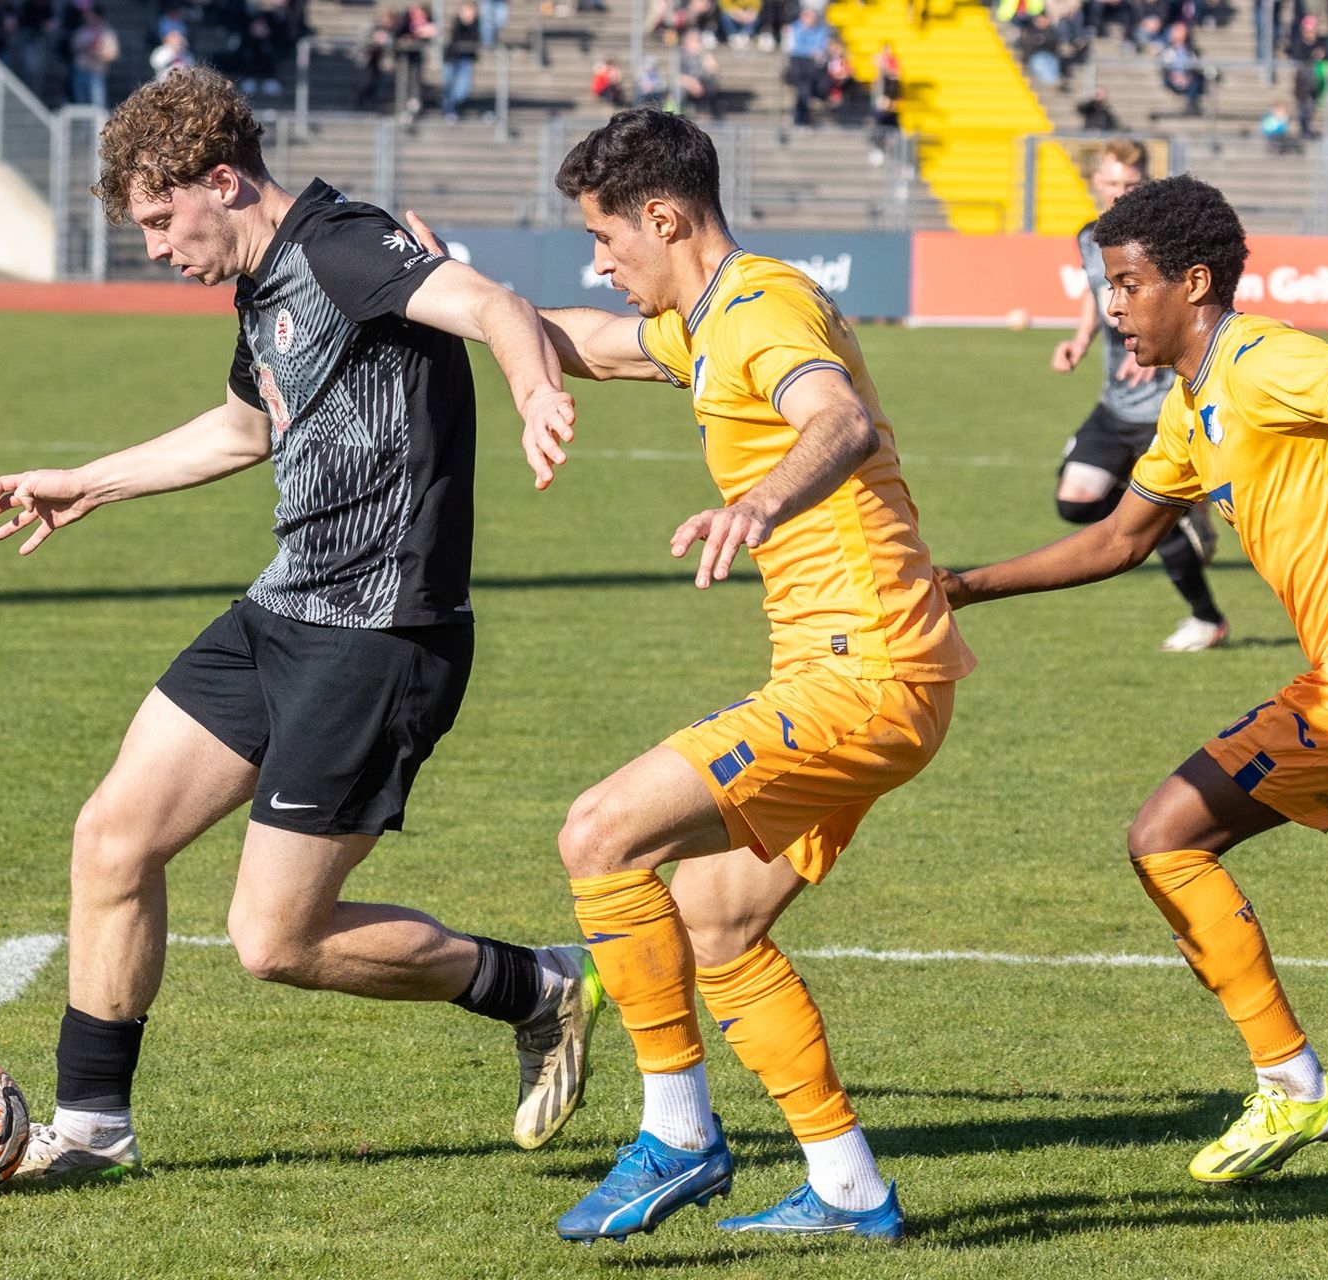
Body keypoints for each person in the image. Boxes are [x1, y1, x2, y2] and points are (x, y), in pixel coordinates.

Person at [0, 67, 601, 1183]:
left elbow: (492, 305)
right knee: (111, 837)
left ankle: (537, 985)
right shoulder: (262, 285)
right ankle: (91, 1127)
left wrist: (531, 391)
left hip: (379, 633)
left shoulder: (342, 246)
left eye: (164, 221)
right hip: (283, 610)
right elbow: (241, 427)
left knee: (277, 940)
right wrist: (88, 482)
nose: (159, 248)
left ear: (223, 180)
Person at [416, 107, 975, 1243]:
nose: (599, 260)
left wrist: (765, 497)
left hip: (860, 670)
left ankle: (677, 1132)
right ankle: (849, 1187)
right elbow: (588, 340)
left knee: (599, 835)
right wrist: (461, 295)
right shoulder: (706, 319)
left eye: (606, 236)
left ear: (664, 215)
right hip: (888, 668)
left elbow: (840, 418)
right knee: (716, 921)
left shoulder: (763, 309)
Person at [941, 174, 1328, 1186]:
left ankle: (1292, 1079)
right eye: (1105, 285)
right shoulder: (1190, 408)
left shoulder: (1262, 359)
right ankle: (1293, 1077)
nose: (1112, 306)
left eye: (1127, 284)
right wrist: (959, 586)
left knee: (1164, 834)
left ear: (1190, 282)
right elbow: (1116, 540)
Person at [1050, 141, 1227, 652]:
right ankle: (1176, 520)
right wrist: (1081, 342)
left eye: (1132, 184)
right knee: (1075, 503)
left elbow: (1201, 307)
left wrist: (1152, 344)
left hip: (1166, 405)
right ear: (1098, 186)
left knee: (1141, 515)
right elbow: (1097, 297)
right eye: (1114, 184)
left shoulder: (1164, 240)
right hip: (1115, 402)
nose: (1122, 193)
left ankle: (1206, 618)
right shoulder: (1089, 238)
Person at [69, 4, 121, 107]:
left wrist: (97, 54)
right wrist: (85, 48)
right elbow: (73, 46)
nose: (88, 18)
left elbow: (113, 54)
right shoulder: (81, 31)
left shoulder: (107, 32)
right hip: (80, 72)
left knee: (97, 106)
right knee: (80, 106)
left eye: (91, 15)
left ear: (98, 16)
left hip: (96, 73)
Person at [442, 1, 481, 120]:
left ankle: (451, 103)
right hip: (452, 58)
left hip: (466, 59)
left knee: (463, 88)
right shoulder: (457, 22)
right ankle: (448, 110)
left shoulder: (477, 24)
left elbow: (475, 39)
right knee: (448, 84)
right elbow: (456, 37)